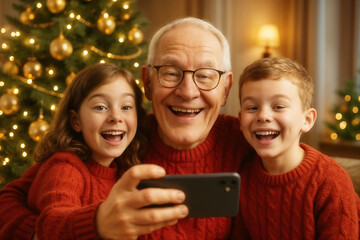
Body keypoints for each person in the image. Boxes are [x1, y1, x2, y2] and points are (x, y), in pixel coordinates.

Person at [0, 17, 253, 239]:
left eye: (206, 75)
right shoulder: (120, 138)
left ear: (225, 89)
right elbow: (9, 200)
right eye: (171, 73)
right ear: (148, 82)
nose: (187, 92)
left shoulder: (245, 138)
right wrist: (43, 233)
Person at [232, 57, 359, 239]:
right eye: (252, 107)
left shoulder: (332, 181)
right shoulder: (243, 177)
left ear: (307, 120)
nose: (263, 116)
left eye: (278, 106)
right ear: (241, 120)